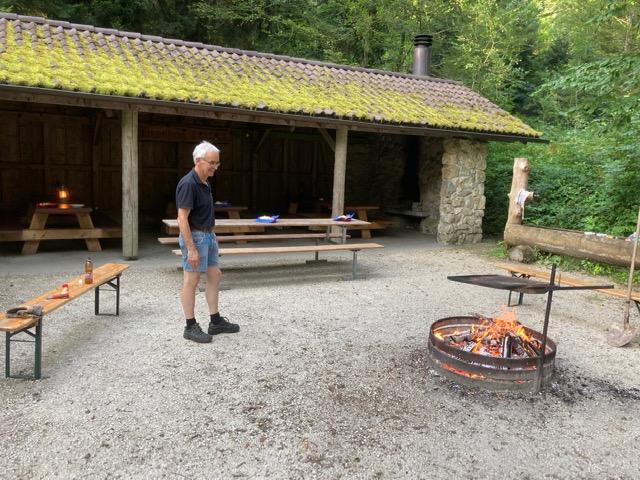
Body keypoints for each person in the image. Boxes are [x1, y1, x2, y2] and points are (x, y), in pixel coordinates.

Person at [176, 141, 240, 343]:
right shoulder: (188, 183)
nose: (215, 167)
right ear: (198, 160)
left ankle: (215, 321)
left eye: (217, 163)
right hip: (195, 238)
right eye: (212, 162)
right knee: (191, 280)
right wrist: (191, 248)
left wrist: (211, 235)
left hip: (208, 236)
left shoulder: (204, 182)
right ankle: (190, 326)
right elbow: (182, 218)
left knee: (215, 275)